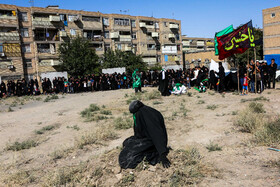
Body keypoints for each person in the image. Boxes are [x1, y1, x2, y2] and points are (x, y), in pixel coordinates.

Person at [119, 100, 171, 169]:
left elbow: (157, 134)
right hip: (146, 138)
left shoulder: (149, 116)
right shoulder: (142, 111)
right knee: (127, 142)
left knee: (129, 158)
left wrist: (162, 154)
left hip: (153, 142)